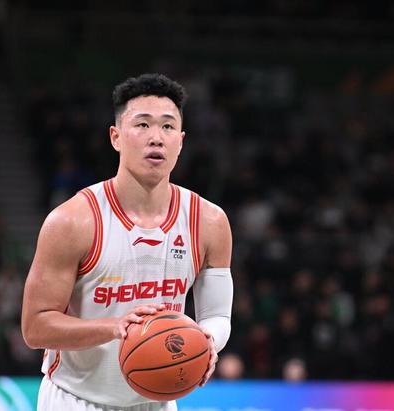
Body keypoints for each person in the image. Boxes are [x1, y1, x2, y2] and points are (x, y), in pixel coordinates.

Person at [21, 73, 234, 411]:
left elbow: (218, 316)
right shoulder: (73, 221)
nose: (156, 138)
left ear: (181, 141)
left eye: (167, 127)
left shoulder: (209, 221)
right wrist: (114, 327)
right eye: (143, 125)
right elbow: (35, 327)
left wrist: (207, 342)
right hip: (77, 399)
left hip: (157, 400)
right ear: (116, 137)